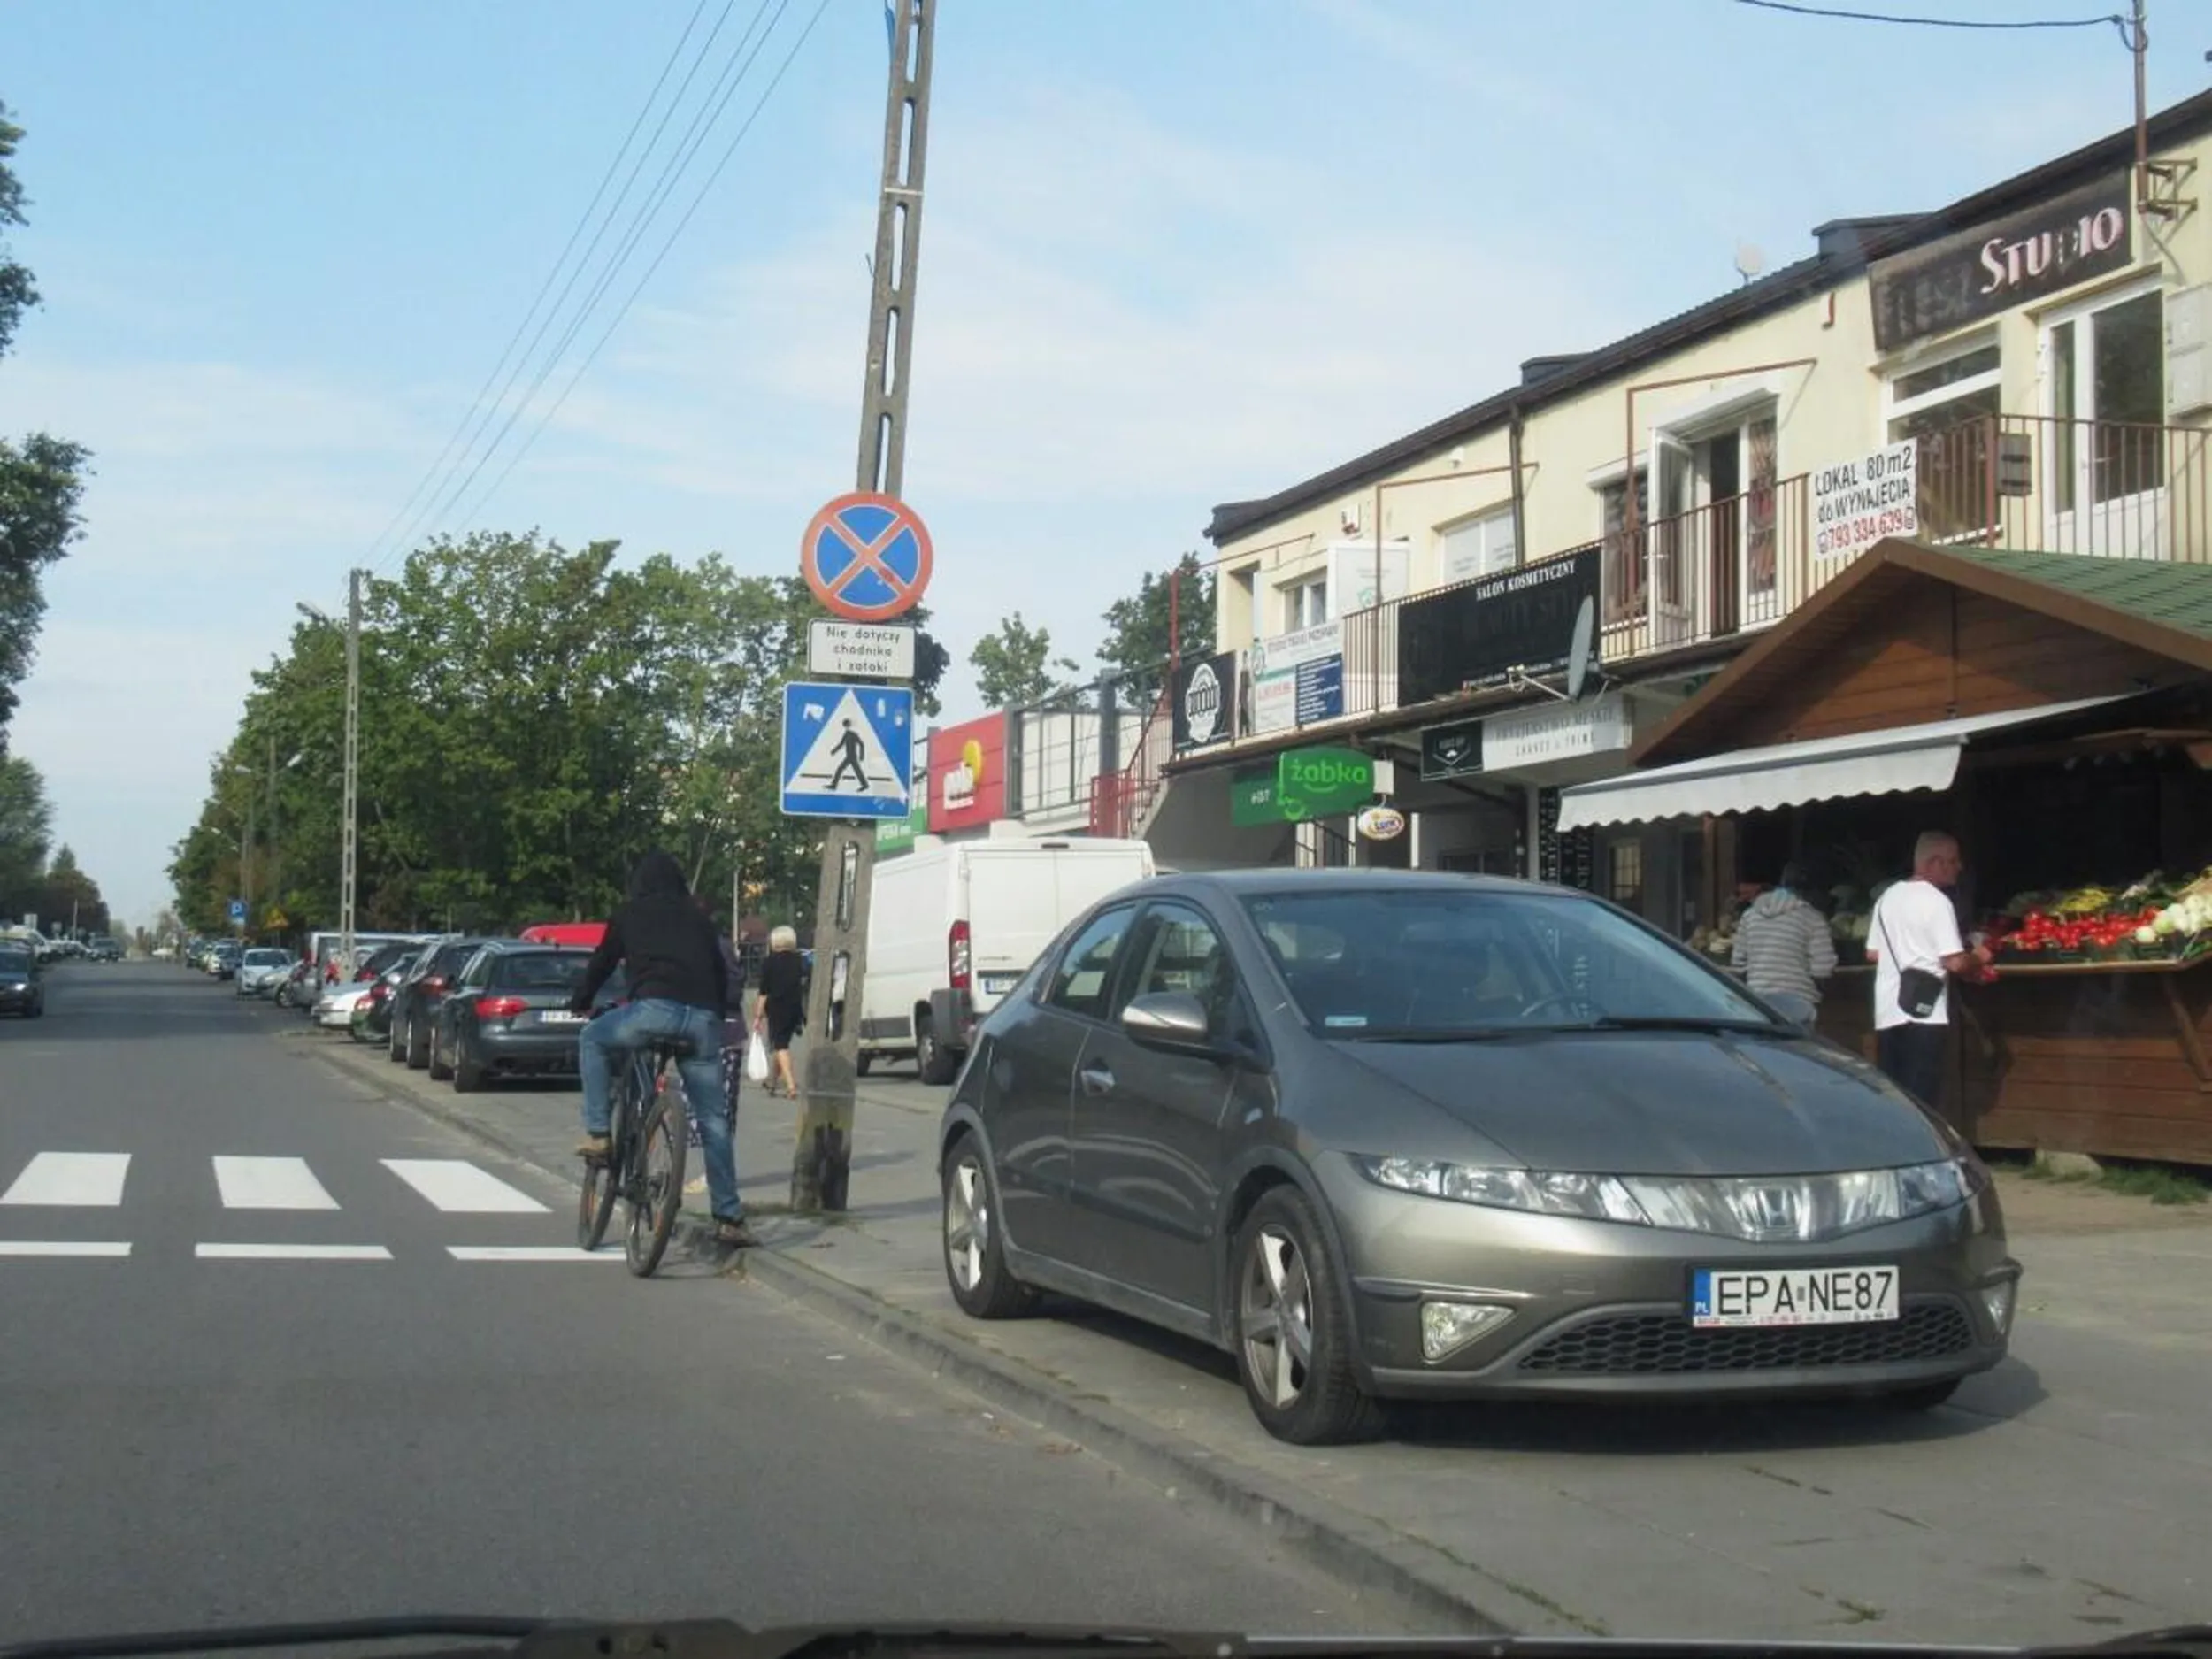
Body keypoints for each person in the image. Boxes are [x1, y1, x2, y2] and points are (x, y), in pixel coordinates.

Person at [570, 850, 751, 1248]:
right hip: (703, 1021)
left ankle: (599, 1133)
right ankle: (729, 1216)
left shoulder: (630, 914)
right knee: (714, 1119)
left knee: (593, 1039)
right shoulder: (701, 921)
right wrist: (716, 1013)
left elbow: (603, 962)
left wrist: (580, 999)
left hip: (653, 1011)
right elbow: (722, 975)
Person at [1865, 831, 1990, 1110]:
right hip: (1925, 1013)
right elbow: (1954, 962)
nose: (1959, 867)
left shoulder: (1886, 898)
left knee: (1895, 1100)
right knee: (1922, 1101)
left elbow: (1873, 953)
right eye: (1953, 860)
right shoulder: (1936, 901)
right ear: (1935, 862)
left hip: (1888, 1011)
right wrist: (1979, 957)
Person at [1730, 862, 1837, 1027]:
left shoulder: (1749, 916)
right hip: (1798, 1005)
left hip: (1758, 1004)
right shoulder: (1813, 918)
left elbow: (1738, 964)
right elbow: (1822, 969)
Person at [753, 925, 806, 1099]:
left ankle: (791, 1086)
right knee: (781, 1043)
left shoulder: (769, 962)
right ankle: (772, 1081)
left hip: (777, 1008)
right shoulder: (799, 960)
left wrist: (758, 1016)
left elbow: (764, 991)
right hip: (795, 1008)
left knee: (781, 1046)